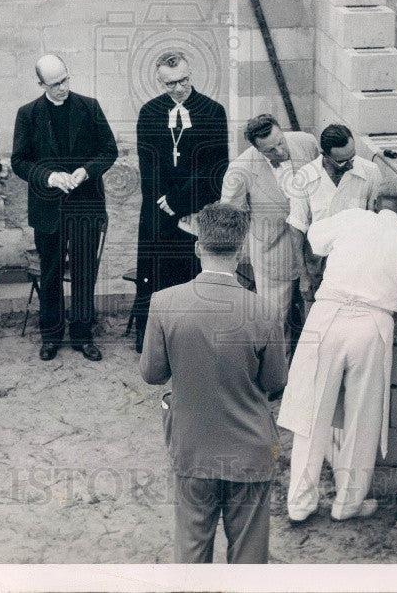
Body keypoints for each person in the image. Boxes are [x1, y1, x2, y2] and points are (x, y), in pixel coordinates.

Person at [278, 179, 397, 523]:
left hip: (327, 317)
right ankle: (348, 503)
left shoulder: (353, 218)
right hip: (371, 326)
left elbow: (314, 237)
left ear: (375, 203)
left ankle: (300, 503)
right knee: (361, 419)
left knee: (311, 415)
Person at [140, 202, 288, 563]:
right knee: (249, 559)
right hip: (250, 450)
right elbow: (275, 381)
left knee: (191, 554)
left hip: (193, 447)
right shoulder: (264, 310)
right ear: (241, 251)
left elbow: (152, 374)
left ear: (197, 246)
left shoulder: (164, 303)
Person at [11, 54, 117, 362]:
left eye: (66, 80)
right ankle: (51, 335)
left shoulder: (89, 106)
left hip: (87, 205)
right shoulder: (27, 114)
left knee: (85, 272)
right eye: (55, 84)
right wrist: (49, 176)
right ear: (41, 84)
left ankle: (83, 334)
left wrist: (86, 170)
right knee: (52, 272)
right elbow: (19, 162)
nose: (63, 88)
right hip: (48, 210)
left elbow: (109, 150)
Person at [131, 50, 228, 353]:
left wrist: (179, 201)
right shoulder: (149, 112)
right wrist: (163, 203)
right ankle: (155, 344)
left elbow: (216, 167)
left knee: (192, 277)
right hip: (158, 214)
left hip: (195, 212)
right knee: (158, 278)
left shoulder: (212, 111)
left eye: (183, 80)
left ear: (191, 75)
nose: (178, 89)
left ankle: (192, 343)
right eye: (170, 84)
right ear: (160, 82)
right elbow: (147, 165)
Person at [220, 113, 318, 341]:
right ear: (256, 149)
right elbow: (229, 218)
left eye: (281, 143)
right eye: (271, 151)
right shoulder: (239, 169)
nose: (281, 152)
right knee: (274, 327)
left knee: (315, 324)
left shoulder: (307, 142)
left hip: (312, 254)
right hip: (273, 257)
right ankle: (277, 376)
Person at [287, 123, 382, 313]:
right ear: (325, 155)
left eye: (352, 156)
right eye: (343, 161)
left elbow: (378, 223)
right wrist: (303, 276)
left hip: (356, 264)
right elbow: (297, 226)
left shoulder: (371, 172)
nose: (351, 164)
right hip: (317, 264)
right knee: (316, 319)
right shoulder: (305, 176)